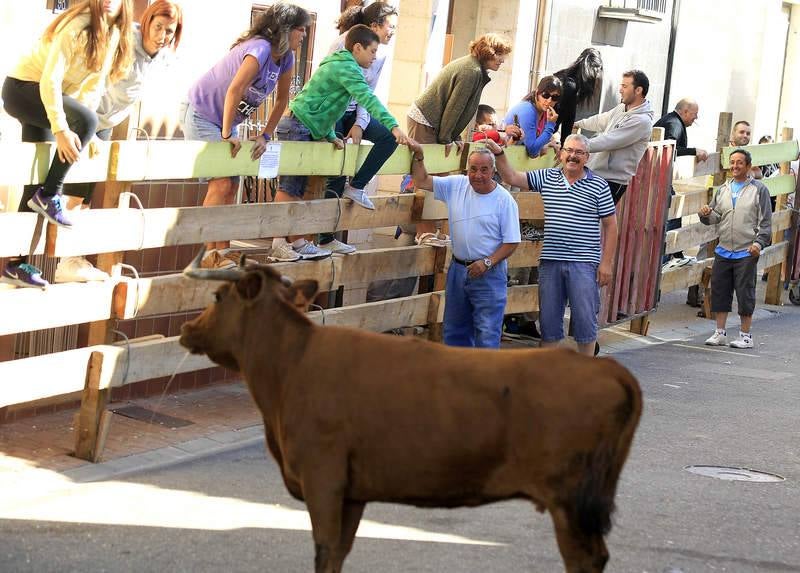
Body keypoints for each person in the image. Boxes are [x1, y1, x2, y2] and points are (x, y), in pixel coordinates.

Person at [0, 0, 134, 289]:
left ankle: (15, 265)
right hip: (22, 89)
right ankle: (50, 195)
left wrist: (89, 136)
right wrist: (64, 128)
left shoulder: (112, 34)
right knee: (85, 121)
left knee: (34, 178)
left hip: (46, 99)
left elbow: (93, 87)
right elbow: (51, 80)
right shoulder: (78, 25)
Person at [56, 0, 183, 283]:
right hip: (86, 117)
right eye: (158, 26)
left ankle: (71, 259)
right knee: (74, 193)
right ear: (147, 22)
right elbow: (94, 78)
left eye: (169, 31)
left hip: (104, 124)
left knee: (84, 194)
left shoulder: (161, 56)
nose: (162, 35)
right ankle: (63, 258)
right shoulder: (126, 41)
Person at [181, 3, 308, 268]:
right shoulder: (260, 49)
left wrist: (265, 135)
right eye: (300, 29)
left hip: (228, 120)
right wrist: (227, 133)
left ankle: (223, 253)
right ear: (285, 30)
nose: (304, 35)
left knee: (233, 186)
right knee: (221, 184)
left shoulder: (286, 58)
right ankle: (210, 256)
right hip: (204, 113)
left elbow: (283, 98)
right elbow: (234, 90)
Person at [488, 134, 618, 356]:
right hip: (551, 261)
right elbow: (510, 176)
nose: (573, 156)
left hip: (584, 263)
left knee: (585, 323)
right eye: (569, 150)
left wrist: (605, 264)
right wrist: (499, 153)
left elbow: (611, 226)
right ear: (561, 153)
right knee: (548, 325)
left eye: (579, 152)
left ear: (587, 157)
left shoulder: (599, 186)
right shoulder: (547, 177)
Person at [407, 141, 520, 348]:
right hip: (459, 269)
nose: (478, 175)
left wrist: (487, 262)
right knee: (454, 330)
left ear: (493, 171)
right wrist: (420, 156)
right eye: (473, 169)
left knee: (487, 333)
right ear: (467, 169)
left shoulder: (504, 200)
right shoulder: (457, 185)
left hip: (489, 272)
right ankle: (458, 378)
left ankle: (483, 380)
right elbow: (421, 180)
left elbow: (512, 241)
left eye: (484, 170)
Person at [407, 33, 512, 245]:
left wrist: (452, 136)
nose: (502, 60)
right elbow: (454, 108)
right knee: (426, 173)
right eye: (500, 54)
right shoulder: (471, 71)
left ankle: (432, 229)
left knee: (440, 176)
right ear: (489, 52)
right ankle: (423, 231)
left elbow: (461, 109)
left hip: (435, 123)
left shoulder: (475, 70)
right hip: (426, 120)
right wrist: (446, 138)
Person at [319, 2, 399, 255]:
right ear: (374, 25)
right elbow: (328, 84)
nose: (393, 32)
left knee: (388, 138)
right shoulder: (343, 43)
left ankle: (358, 186)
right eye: (390, 26)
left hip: (355, 110)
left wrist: (360, 123)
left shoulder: (380, 53)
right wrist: (336, 124)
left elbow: (369, 92)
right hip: (333, 109)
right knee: (336, 172)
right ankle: (324, 238)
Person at [700, 149, 772, 349]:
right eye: (732, 162)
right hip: (723, 249)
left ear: (748, 166)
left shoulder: (759, 190)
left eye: (740, 162)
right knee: (720, 291)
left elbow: (766, 223)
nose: (735, 166)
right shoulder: (723, 189)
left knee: (745, 292)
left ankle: (745, 336)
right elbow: (715, 217)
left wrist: (759, 243)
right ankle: (720, 333)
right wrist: (706, 214)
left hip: (746, 251)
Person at [574, 69, 654, 204]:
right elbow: (600, 121)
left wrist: (575, 146)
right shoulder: (621, 108)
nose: (620, 90)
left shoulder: (642, 121)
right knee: (583, 219)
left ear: (638, 90)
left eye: (624, 86)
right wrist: (576, 124)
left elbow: (609, 141)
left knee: (595, 222)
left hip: (612, 181)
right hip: (595, 174)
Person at [656, 98, 708, 270]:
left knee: (673, 210)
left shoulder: (672, 121)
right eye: (694, 114)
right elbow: (670, 149)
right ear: (685, 111)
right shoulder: (675, 124)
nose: (696, 118)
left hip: (658, 177)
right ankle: (670, 257)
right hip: (657, 178)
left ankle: (674, 254)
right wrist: (694, 151)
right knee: (673, 210)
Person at [553, 47, 603, 146]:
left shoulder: (565, 77)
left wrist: (564, 146)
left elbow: (568, 117)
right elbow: (568, 119)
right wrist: (564, 146)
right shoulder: (570, 86)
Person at [504, 75, 561, 158]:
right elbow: (532, 151)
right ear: (537, 93)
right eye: (545, 95)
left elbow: (538, 141)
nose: (549, 101)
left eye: (555, 97)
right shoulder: (528, 110)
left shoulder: (545, 111)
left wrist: (549, 143)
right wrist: (550, 125)